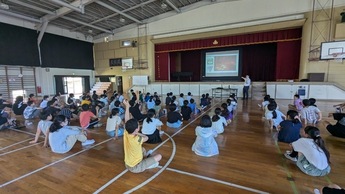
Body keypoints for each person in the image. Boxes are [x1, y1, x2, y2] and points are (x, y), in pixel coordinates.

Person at [123, 99, 162, 173]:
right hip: (136, 167)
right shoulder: (137, 138)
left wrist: (127, 106)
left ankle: (146, 159)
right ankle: (147, 165)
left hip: (128, 164)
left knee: (143, 149)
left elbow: (127, 120)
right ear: (136, 129)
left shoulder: (127, 133)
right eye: (138, 126)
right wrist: (137, 133)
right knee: (159, 157)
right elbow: (146, 137)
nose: (139, 126)